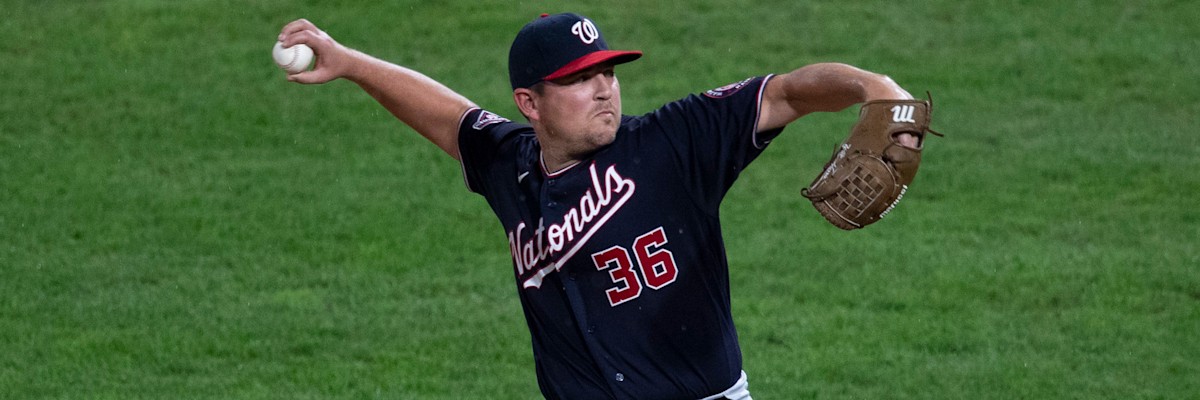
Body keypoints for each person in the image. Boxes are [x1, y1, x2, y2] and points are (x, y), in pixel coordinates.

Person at [277, 12, 919, 400]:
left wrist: (873, 86)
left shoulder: (675, 142)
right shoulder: (509, 164)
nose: (605, 88)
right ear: (530, 103)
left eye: (607, 72)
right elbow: (447, 117)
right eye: (580, 79)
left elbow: (786, 93)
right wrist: (350, 63)